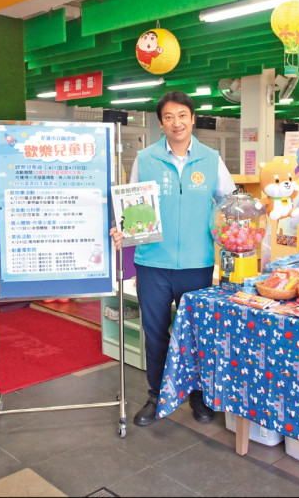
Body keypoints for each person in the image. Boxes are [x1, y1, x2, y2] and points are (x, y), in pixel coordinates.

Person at [110, 91, 235, 426]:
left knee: (195, 334)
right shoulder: (146, 158)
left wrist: (240, 230)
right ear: (161, 122)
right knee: (156, 331)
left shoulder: (211, 159)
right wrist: (122, 230)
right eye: (168, 117)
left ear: (193, 119)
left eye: (182, 115)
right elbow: (131, 206)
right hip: (152, 263)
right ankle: (156, 396)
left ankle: (199, 397)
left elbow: (229, 203)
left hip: (197, 264)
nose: (176, 122)